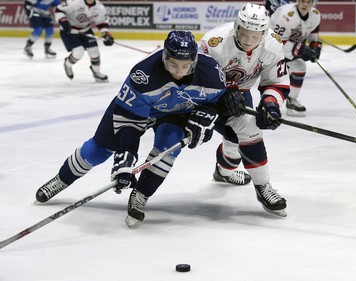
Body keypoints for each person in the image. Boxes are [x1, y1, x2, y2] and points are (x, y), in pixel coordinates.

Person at [35, 30, 245, 227]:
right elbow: (129, 125)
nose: (179, 72)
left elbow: (217, 102)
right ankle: (61, 180)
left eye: (185, 66)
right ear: (164, 57)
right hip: (134, 112)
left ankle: (141, 193)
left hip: (174, 113)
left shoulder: (211, 74)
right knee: (98, 151)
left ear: (195, 61)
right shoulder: (143, 75)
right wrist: (126, 159)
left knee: (168, 148)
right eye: (173, 65)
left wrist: (208, 116)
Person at [199, 3, 290, 217]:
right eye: (244, 34)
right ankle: (261, 185)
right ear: (237, 27)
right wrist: (221, 93)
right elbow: (192, 80)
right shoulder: (214, 44)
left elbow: (276, 82)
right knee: (244, 132)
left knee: (238, 136)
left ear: (264, 33)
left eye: (255, 36)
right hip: (207, 98)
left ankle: (227, 173)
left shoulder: (273, 45)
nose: (249, 41)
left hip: (241, 93)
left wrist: (270, 104)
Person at [269, 0, 321, 116]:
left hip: (288, 47)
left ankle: (291, 101)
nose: (305, 5)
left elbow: (313, 34)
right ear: (297, 1)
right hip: (268, 46)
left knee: (300, 66)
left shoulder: (315, 15)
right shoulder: (287, 15)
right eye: (302, 1)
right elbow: (276, 41)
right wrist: (300, 49)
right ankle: (268, 105)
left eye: (308, 2)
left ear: (313, 3)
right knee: (274, 76)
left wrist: (315, 48)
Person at [54, 0, 115, 82]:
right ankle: (67, 64)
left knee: (94, 51)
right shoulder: (74, 2)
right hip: (69, 31)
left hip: (85, 30)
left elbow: (102, 22)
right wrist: (63, 21)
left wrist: (105, 34)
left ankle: (96, 72)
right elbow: (59, 10)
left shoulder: (99, 8)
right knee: (78, 52)